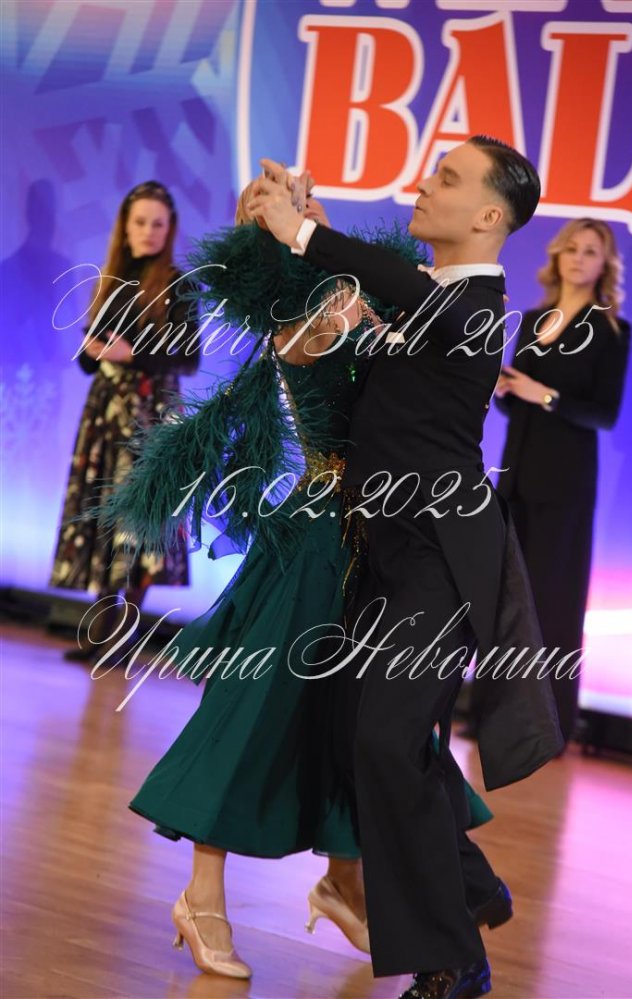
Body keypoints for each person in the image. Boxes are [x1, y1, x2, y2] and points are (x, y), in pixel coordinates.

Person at [101, 182, 504, 982]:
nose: (302, 212)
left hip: (370, 547)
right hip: (317, 545)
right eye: (284, 213)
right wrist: (301, 233)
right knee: (256, 711)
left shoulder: (370, 300)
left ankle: (346, 877)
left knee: (349, 720)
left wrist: (313, 229)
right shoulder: (311, 317)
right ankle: (203, 897)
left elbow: (380, 300)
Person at [250, 138, 564, 999]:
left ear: (490, 216)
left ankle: (453, 958)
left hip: (440, 558)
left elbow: (406, 292)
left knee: (386, 741)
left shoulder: (474, 307)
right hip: (385, 550)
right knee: (364, 739)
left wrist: (305, 235)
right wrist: (309, 242)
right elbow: (387, 327)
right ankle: (469, 886)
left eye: (448, 179)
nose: (425, 186)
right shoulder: (427, 309)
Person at [489, 218, 630, 745]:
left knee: (553, 602)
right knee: (505, 602)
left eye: (590, 251)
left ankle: (547, 728)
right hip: (516, 475)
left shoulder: (611, 330)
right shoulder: (532, 320)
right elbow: (518, 407)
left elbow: (604, 414)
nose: (578, 258)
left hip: (566, 484)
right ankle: (495, 716)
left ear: (603, 264)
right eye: (571, 248)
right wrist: (505, 392)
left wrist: (543, 394)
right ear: (557, 255)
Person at [50, 181, 199, 664]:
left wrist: (130, 354)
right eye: (141, 222)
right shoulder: (110, 280)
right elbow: (89, 362)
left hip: (151, 418)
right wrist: (93, 348)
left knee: (143, 524)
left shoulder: (178, 284)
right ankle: (101, 631)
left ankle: (121, 635)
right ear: (125, 227)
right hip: (107, 414)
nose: (149, 231)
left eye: (158, 224)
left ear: (169, 229)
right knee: (103, 516)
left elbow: (189, 359)